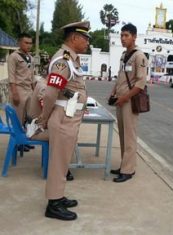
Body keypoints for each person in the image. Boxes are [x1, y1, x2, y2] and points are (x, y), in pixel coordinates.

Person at [39, 21, 90, 221]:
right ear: (74, 38)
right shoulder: (63, 60)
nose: (87, 41)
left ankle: (58, 196)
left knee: (62, 161)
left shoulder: (71, 59)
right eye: (85, 37)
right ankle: (53, 204)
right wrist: (44, 117)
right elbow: (51, 93)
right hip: (62, 117)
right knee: (58, 162)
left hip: (69, 117)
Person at [109, 23, 148, 183]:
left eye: (126, 35)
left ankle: (128, 170)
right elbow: (120, 77)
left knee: (130, 135)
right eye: (121, 35)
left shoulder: (139, 56)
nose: (123, 38)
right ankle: (124, 165)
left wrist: (124, 97)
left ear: (134, 37)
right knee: (123, 135)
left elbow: (141, 82)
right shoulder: (124, 55)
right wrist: (113, 92)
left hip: (130, 101)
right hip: (120, 99)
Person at [27, 76, 74, 181]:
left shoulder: (43, 83)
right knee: (64, 135)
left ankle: (62, 166)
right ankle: (62, 169)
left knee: (65, 132)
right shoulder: (44, 87)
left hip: (36, 127)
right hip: (35, 131)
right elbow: (45, 108)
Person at [7, 33, 35, 151]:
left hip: (29, 90)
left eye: (30, 43)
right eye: (26, 43)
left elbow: (32, 76)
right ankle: (18, 144)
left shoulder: (30, 58)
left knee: (27, 119)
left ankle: (24, 141)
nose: (29, 45)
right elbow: (11, 76)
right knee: (18, 118)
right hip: (18, 89)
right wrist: (14, 93)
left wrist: (34, 90)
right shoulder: (14, 57)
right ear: (19, 43)